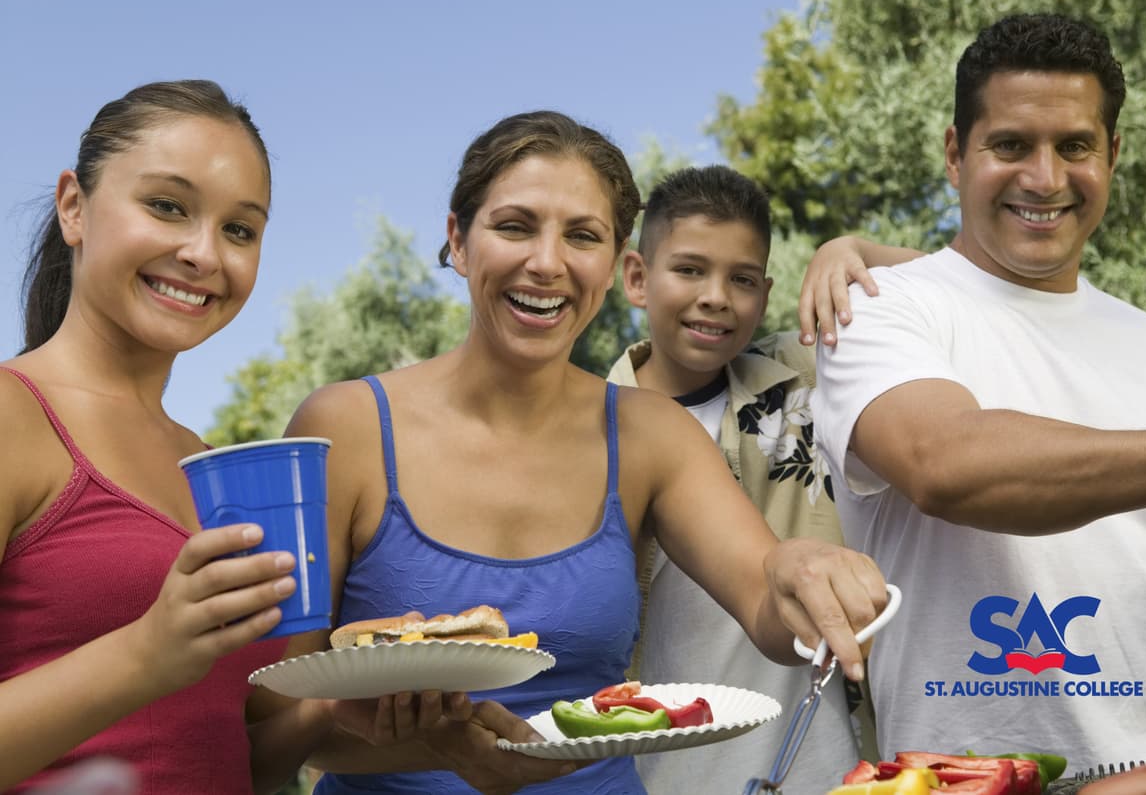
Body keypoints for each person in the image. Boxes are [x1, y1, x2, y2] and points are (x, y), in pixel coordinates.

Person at [281, 110, 889, 794]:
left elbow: (764, 595)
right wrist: (434, 744)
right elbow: (268, 729)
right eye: (515, 226)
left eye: (583, 236)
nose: (547, 262)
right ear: (457, 240)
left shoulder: (651, 433)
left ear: (614, 263)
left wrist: (803, 568)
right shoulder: (343, 427)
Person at [0, 81, 558, 795]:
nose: (204, 253)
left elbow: (224, 753)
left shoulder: (204, 463)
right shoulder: (16, 416)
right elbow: (147, 670)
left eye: (240, 229)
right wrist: (145, 652)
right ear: (73, 206)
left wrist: (342, 704)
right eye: (167, 206)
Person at [807, 13, 1146, 771]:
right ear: (956, 154)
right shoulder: (879, 305)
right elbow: (945, 464)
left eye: (1076, 146)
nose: (1046, 177)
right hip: (973, 778)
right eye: (1011, 144)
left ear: (1113, 155)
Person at [607, 164, 917, 792]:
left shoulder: (804, 376)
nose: (716, 295)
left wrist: (850, 251)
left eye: (741, 279)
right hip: (655, 771)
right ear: (637, 278)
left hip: (819, 763)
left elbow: (961, 282)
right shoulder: (587, 429)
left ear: (766, 293)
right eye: (690, 269)